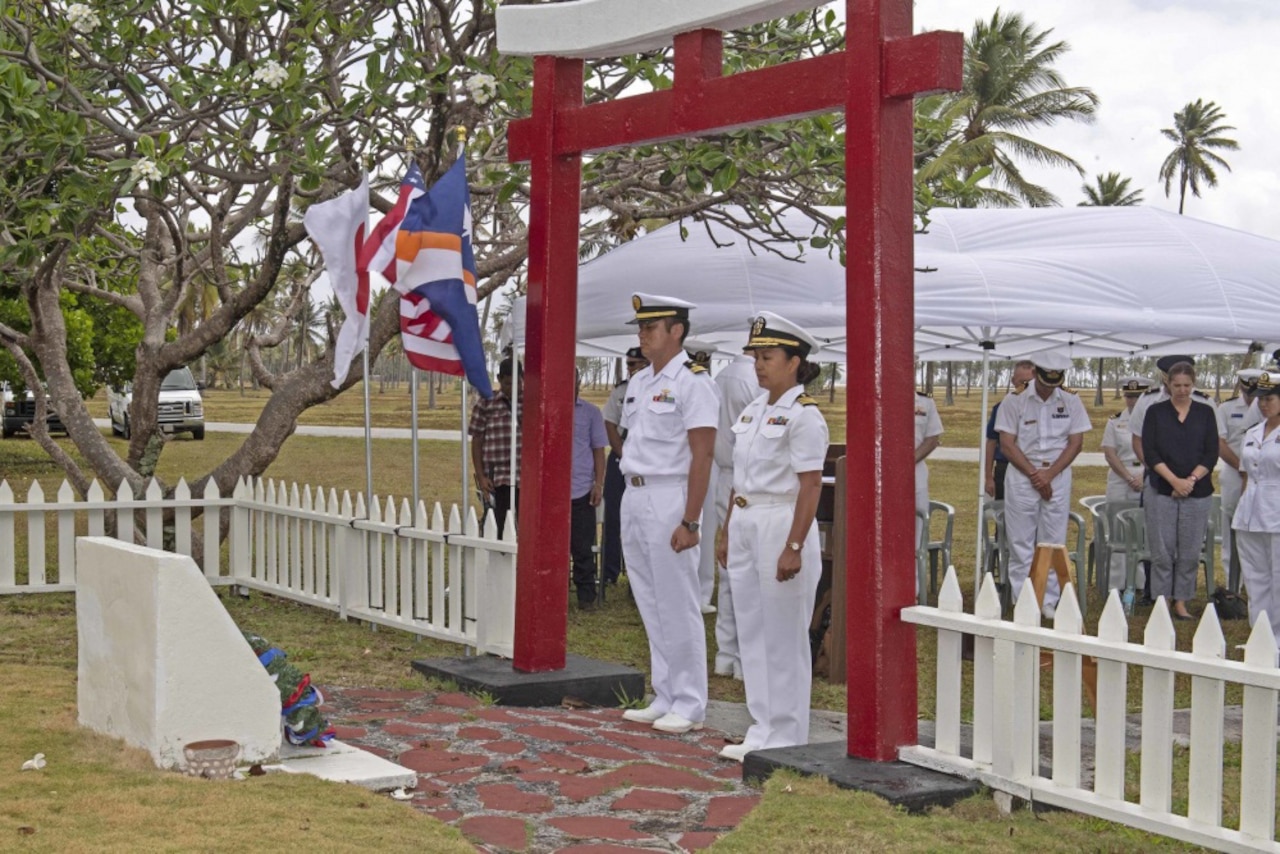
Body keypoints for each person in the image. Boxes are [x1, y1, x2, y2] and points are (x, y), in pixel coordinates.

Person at [715, 312, 828, 761]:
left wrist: (794, 546)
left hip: (781, 523)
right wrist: (725, 533)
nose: (759, 365)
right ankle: (762, 727)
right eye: (756, 357)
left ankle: (787, 732)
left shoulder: (804, 417)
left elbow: (811, 484)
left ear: (794, 361)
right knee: (753, 630)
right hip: (745, 521)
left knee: (783, 635)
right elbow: (739, 481)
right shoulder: (753, 410)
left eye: (768, 356)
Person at [618, 293, 718, 735]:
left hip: (670, 497)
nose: (642, 334)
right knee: (650, 600)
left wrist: (691, 519)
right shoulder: (640, 382)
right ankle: (665, 693)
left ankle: (691, 702)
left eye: (651, 327)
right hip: (635, 494)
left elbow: (703, 455)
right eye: (640, 327)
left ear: (676, 331)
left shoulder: (694, 382)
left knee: (678, 603)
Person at [996, 349, 1091, 618]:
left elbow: (1076, 443)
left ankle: (1048, 600)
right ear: (1035, 374)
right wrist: (1035, 476)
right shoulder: (1014, 401)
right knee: (1021, 541)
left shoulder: (1071, 400)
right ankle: (1023, 599)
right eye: (1045, 382)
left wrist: (1048, 476)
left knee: (1052, 539)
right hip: (1022, 474)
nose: (1049, 389)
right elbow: (1007, 444)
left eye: (1055, 383)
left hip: (1057, 475)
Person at [1131, 355, 1223, 602]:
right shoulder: (1155, 411)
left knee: (1189, 553)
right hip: (1161, 488)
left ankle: (1182, 601)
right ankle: (1162, 601)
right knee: (1162, 552)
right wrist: (1174, 481)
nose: (1182, 390)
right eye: (1177, 385)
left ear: (1193, 384)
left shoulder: (1205, 411)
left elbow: (1211, 452)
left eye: (1186, 385)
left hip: (1198, 490)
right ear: (1168, 384)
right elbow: (1149, 451)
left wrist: (1189, 481)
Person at [711, 346, 760, 681]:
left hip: (724, 473)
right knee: (749, 572)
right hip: (748, 478)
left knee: (728, 569)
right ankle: (743, 656)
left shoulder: (721, 376)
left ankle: (726, 653)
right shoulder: (752, 380)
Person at [1232, 370, 1280, 640]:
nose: (1262, 404)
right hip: (1250, 512)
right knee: (1256, 578)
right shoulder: (1252, 432)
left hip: (1277, 514)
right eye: (1259, 399)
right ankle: (1261, 638)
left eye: (1269, 398)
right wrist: (1242, 507)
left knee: (1278, 579)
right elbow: (1246, 474)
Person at [1099, 375, 1152, 589]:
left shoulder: (1154, 420)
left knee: (1143, 531)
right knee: (1118, 530)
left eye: (1137, 396)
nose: (1133, 400)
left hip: (1147, 474)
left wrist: (1144, 475)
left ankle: (1141, 583)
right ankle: (1117, 582)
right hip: (1121, 478)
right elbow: (1110, 454)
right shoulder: (1115, 421)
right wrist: (1129, 477)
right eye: (1129, 396)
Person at [602, 347, 648, 586]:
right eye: (629, 364)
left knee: (641, 520)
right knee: (613, 516)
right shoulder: (621, 390)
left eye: (638, 363)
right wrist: (622, 452)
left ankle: (637, 577)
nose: (633, 368)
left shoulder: (654, 389)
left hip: (646, 463)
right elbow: (610, 423)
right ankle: (610, 571)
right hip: (621, 459)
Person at [684, 338, 722, 615]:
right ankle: (689, 590)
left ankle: (702, 591)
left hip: (706, 464)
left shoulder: (708, 387)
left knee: (704, 528)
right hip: (678, 468)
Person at [1217, 368, 1263, 587]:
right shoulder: (1226, 408)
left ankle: (1256, 580)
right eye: (1249, 391)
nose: (1254, 397)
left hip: (1265, 474)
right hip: (1235, 473)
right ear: (1242, 387)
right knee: (1232, 528)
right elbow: (1220, 443)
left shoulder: (1268, 405)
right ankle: (1232, 583)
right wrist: (1242, 468)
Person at [470, 355, 522, 538]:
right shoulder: (486, 402)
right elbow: (477, 441)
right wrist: (482, 476)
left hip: (526, 477)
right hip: (497, 478)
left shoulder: (532, 402)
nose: (512, 388)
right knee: (500, 528)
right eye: (508, 384)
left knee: (527, 530)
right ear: (500, 379)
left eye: (517, 383)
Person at [570, 368, 608, 610]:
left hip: (581, 489)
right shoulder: (542, 407)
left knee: (583, 546)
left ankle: (586, 596)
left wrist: (599, 483)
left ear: (578, 382)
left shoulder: (591, 413)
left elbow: (598, 450)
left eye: (572, 379)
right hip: (550, 492)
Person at [983, 360, 1035, 499]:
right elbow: (991, 442)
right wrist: (988, 477)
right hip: (1006, 467)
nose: (1027, 387)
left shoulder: (1044, 407)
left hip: (1036, 467)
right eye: (1022, 382)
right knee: (1004, 516)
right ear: (1013, 381)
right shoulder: (1002, 407)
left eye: (1030, 382)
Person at [914, 385, 943, 561]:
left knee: (917, 535)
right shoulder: (879, 398)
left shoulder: (925, 402)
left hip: (916, 474)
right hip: (884, 474)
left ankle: (915, 587)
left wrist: (907, 464)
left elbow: (933, 439)